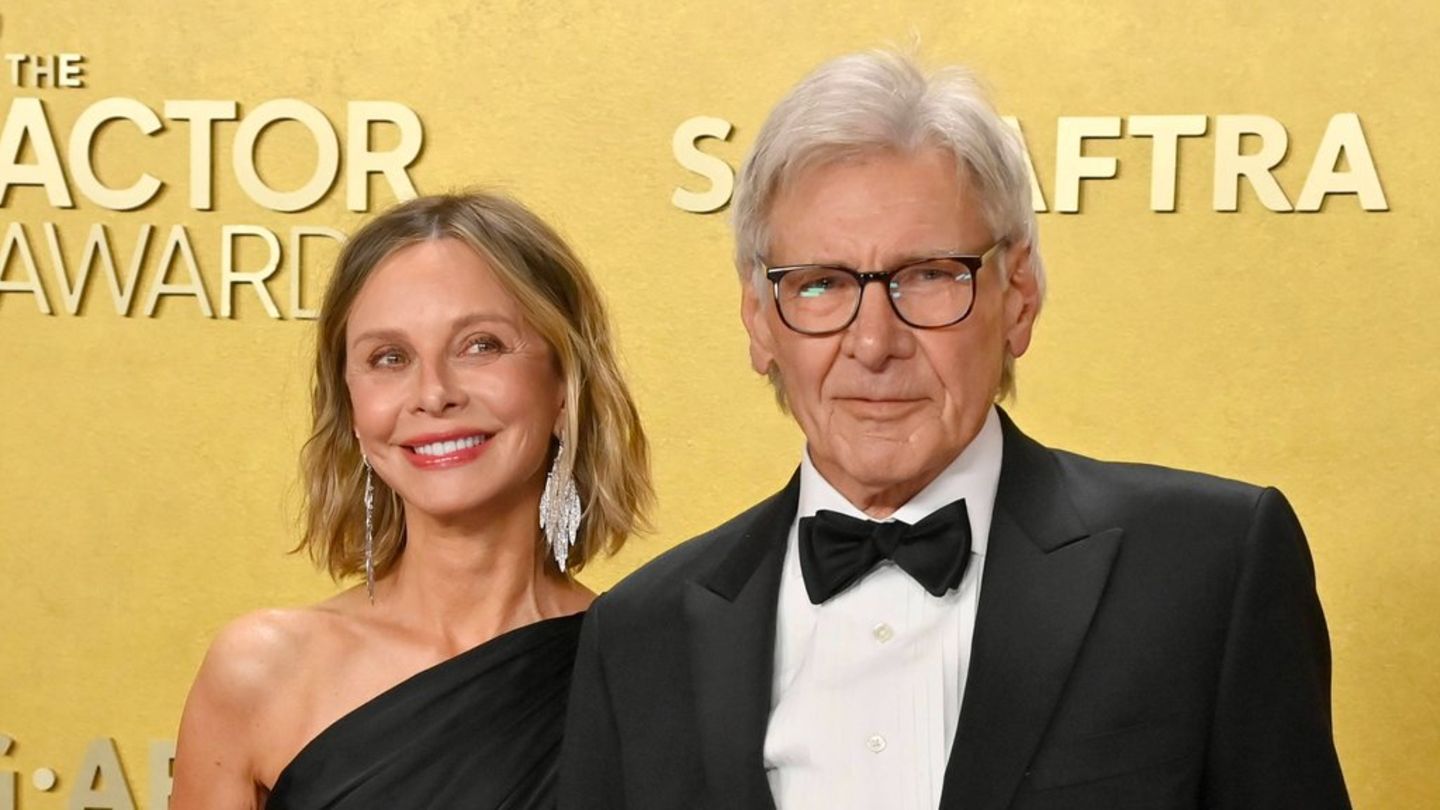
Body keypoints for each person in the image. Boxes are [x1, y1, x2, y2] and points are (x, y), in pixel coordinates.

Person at [559, 50, 1350, 810]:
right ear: (760, 321)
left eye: (929, 276)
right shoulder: (640, 636)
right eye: (822, 285)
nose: (874, 344)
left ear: (1021, 295)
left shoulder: (1208, 567)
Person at [172, 192, 651, 809]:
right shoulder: (260, 672)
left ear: (564, 384)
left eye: (480, 345)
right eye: (389, 358)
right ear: (350, 410)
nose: (433, 394)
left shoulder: (647, 675)